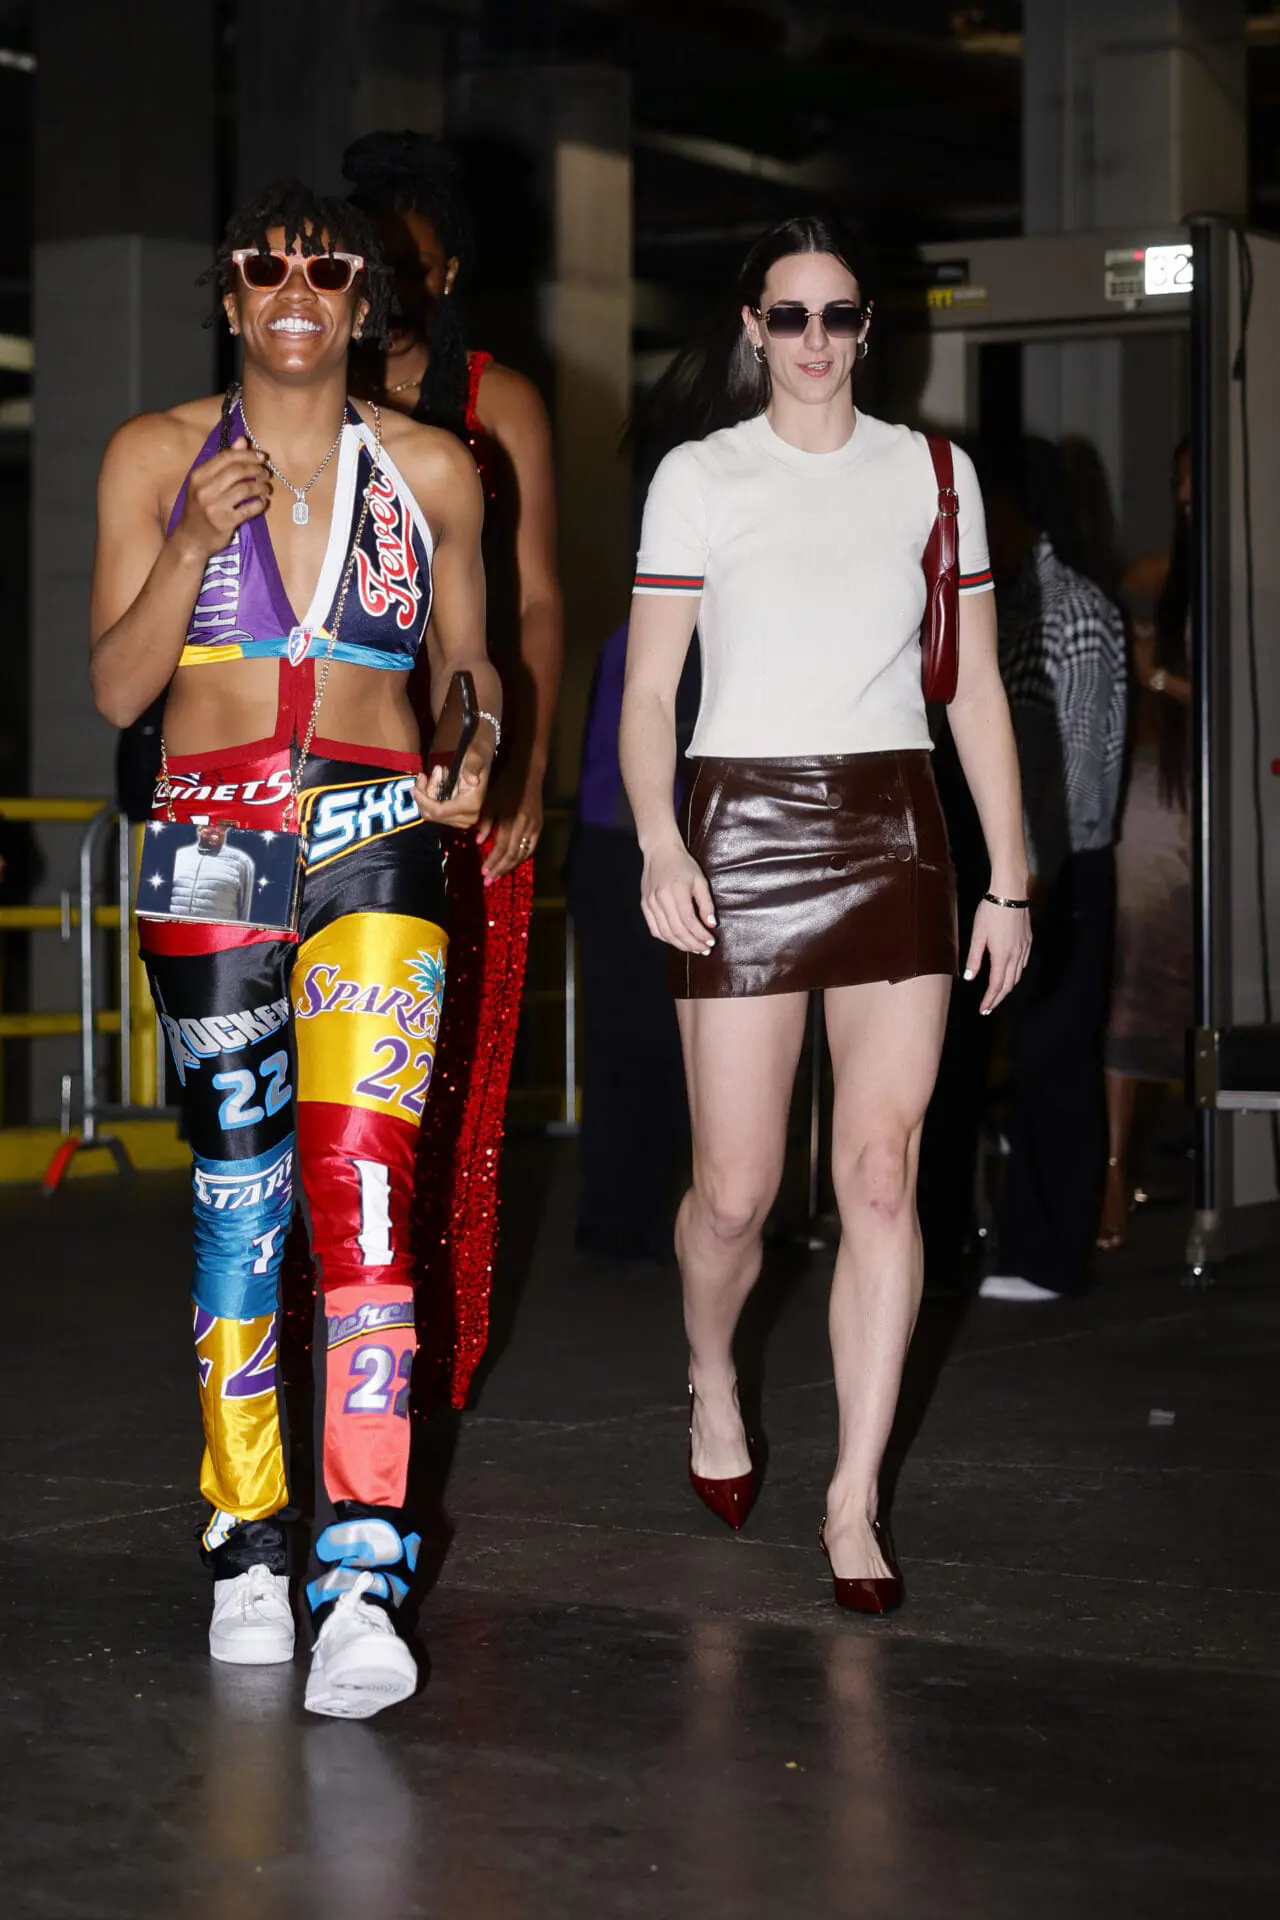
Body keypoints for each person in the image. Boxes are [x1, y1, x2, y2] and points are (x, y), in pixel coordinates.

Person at [89, 178, 499, 1718]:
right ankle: (250, 1543)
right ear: (230, 293)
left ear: (362, 300)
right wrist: (192, 541)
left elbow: (475, 669)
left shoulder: (439, 471)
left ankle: (365, 1571)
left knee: (367, 1187)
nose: (295, 288)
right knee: (239, 1196)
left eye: (325, 267)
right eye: (265, 264)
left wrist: (478, 742)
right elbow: (122, 690)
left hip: (373, 842)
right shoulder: (154, 456)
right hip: (206, 834)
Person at [619, 214, 1031, 1612]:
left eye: (837, 316)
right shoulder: (699, 478)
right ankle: (715, 1374)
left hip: (895, 829)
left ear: (870, 328)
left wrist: (1012, 876)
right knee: (736, 1196)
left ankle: (855, 1498)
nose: (812, 341)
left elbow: (971, 686)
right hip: (739, 825)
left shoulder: (933, 474)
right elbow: (646, 691)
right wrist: (662, 839)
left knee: (879, 1176)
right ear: (749, 326)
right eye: (787, 315)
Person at [342, 130, 563, 1406]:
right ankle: (345, 1338)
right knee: (355, 1084)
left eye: (407, 266)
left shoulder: (497, 400)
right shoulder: (307, 393)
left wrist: (522, 763)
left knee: (459, 1087)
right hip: (342, 778)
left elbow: (536, 605)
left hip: (468, 779)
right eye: (365, 262)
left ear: (450, 269)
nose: (384, 290)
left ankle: (437, 1362)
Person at [973, 441, 1127, 1302]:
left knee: (1058, 1052)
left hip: (1062, 865)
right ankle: (1020, 1242)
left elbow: (1074, 763)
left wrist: (1035, 872)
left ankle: (1048, 1252)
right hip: (1025, 863)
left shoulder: (1070, 608)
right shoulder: (1009, 603)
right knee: (1027, 1049)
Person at [568, 621, 698, 1261]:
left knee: (638, 1046)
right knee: (648, 1046)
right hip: (637, 849)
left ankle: (628, 1216)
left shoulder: (629, 631)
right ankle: (628, 1218)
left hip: (619, 845)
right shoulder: (661, 634)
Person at [1099, 440, 1193, 1248]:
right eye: (1184, 486)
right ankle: (1113, 1168)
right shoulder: (1159, 575)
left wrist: (1158, 675)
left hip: (1217, 784)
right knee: (1139, 971)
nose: (1193, 499)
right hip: (1158, 785)